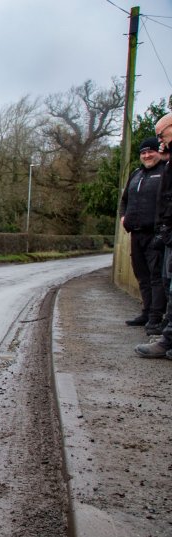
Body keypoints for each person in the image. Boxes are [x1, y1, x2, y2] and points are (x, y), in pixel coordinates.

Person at [120, 136, 166, 333]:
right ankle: (146, 312)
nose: (147, 155)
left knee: (156, 276)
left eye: (151, 151)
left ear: (159, 152)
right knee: (142, 275)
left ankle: (156, 318)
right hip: (136, 233)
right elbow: (125, 200)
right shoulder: (136, 174)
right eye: (143, 152)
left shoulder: (165, 172)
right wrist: (123, 216)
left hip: (155, 233)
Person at [135, 114, 172, 359]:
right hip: (160, 230)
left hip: (160, 230)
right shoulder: (141, 174)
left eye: (162, 135)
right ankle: (164, 333)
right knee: (161, 280)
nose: (160, 142)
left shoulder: (162, 169)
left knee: (164, 281)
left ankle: (159, 325)